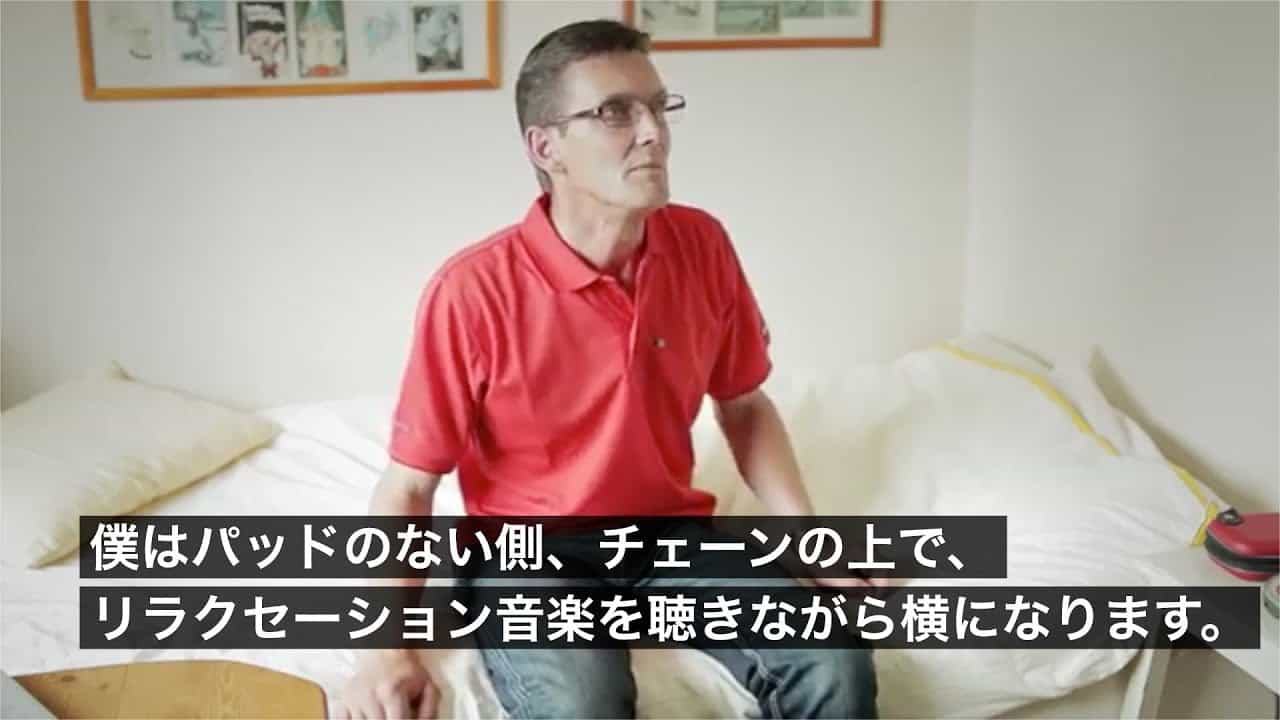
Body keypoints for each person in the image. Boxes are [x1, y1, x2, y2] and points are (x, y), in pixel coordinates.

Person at [335, 19, 879, 720]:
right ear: (546, 147)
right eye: (616, 112)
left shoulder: (702, 244)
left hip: (669, 539)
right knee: (581, 706)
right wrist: (384, 648)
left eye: (658, 107)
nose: (653, 132)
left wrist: (806, 534)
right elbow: (410, 486)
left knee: (833, 660)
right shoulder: (472, 291)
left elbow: (744, 403)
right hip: (526, 556)